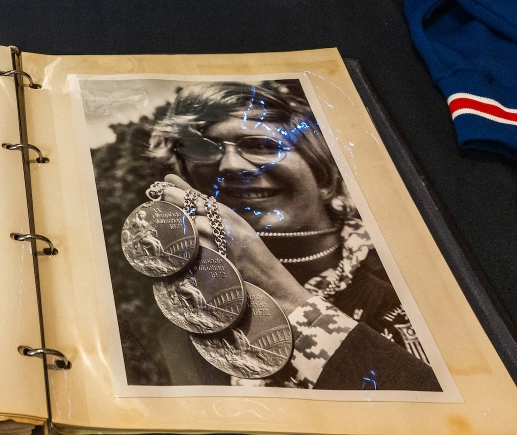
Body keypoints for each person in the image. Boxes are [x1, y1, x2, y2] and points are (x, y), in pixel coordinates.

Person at [145, 81, 440, 391]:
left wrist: (281, 294)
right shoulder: (182, 325)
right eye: (205, 149)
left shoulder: (414, 273)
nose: (230, 165)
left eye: (262, 145)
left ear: (324, 175)